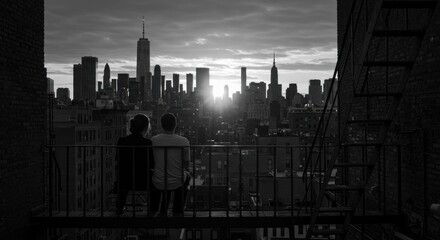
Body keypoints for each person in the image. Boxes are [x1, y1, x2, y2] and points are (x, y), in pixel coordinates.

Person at [115, 114, 159, 215]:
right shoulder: (148, 143)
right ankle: (153, 210)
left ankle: (119, 208)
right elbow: (152, 164)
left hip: (124, 181)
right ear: (145, 128)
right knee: (157, 186)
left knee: (122, 183)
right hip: (144, 181)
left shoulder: (122, 141)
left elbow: (118, 160)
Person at [151, 113, 191, 216]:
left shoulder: (154, 140)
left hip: (158, 181)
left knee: (166, 178)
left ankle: (163, 210)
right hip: (177, 181)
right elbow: (186, 164)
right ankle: (178, 209)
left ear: (161, 125)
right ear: (175, 124)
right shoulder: (184, 141)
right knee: (187, 176)